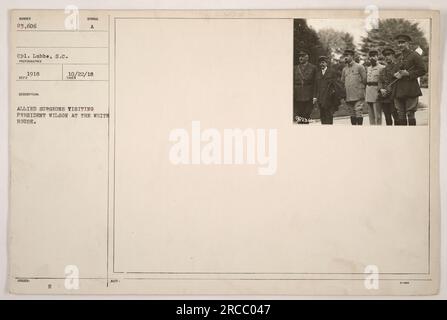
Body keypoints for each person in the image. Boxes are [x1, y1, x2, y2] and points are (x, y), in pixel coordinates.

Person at [393, 34, 427, 125]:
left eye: (402, 42)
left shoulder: (415, 55)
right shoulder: (399, 57)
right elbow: (396, 70)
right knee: (401, 115)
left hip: (411, 89)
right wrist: (396, 74)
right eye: (399, 43)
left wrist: (408, 73)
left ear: (407, 43)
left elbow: (423, 70)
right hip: (399, 90)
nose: (400, 45)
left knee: (410, 114)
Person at [314, 56, 345, 124]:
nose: (321, 64)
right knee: (322, 116)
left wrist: (334, 94)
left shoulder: (332, 72)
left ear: (326, 63)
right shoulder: (318, 74)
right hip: (320, 99)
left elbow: (336, 85)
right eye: (320, 63)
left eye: (323, 62)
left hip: (329, 99)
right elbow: (316, 86)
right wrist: (315, 97)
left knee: (329, 116)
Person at [340, 49, 367, 125]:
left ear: (352, 56)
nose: (345, 58)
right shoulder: (344, 69)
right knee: (351, 114)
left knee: (358, 112)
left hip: (358, 95)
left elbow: (365, 80)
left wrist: (361, 90)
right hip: (348, 95)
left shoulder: (359, 67)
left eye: (347, 56)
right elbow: (342, 81)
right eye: (344, 56)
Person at [293, 49, 318, 124]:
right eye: (299, 56)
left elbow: (315, 83)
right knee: (299, 117)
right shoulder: (295, 68)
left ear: (307, 57)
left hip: (308, 96)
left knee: (306, 115)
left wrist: (315, 96)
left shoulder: (313, 68)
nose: (300, 58)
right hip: (297, 95)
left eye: (302, 56)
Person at [377, 47, 399, 125]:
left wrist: (388, 91)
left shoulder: (397, 67)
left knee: (396, 116)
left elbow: (398, 82)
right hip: (384, 97)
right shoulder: (383, 69)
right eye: (385, 55)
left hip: (394, 96)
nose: (387, 57)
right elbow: (380, 81)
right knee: (387, 117)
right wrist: (381, 89)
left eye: (389, 55)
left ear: (393, 55)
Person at [365, 49, 385, 125]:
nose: (372, 58)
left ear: (377, 57)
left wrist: (381, 91)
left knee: (378, 115)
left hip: (376, 92)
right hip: (368, 92)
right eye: (370, 56)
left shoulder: (382, 67)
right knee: (370, 115)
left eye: (374, 56)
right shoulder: (368, 68)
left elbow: (383, 81)